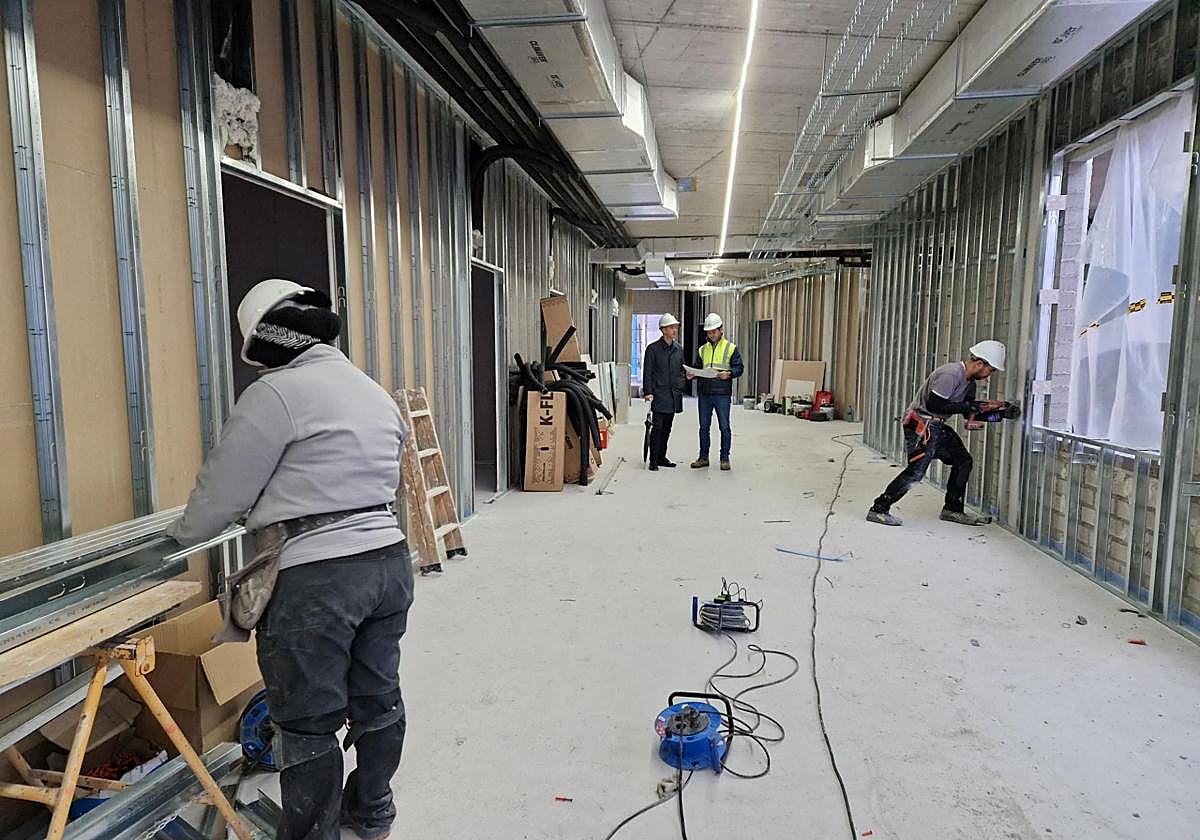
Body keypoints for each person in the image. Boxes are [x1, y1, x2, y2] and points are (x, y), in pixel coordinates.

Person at [167, 279, 410, 840]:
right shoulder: (371, 391)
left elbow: (221, 492)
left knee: (307, 721)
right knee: (377, 698)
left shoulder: (275, 394)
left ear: (267, 340)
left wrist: (181, 542)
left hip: (319, 579)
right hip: (389, 563)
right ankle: (372, 814)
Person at [867, 340, 1012, 527]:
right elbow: (935, 404)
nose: (989, 375)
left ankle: (952, 509)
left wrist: (999, 415)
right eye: (990, 370)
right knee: (915, 472)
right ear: (979, 364)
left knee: (963, 461)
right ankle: (878, 509)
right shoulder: (950, 375)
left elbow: (968, 412)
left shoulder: (970, 384)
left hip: (937, 424)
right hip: (921, 423)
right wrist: (970, 405)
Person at [687, 312, 744, 471]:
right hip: (705, 393)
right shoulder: (702, 350)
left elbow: (739, 368)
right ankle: (703, 457)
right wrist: (693, 374)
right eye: (709, 332)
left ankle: (724, 458)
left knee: (724, 426)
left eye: (714, 332)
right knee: (703, 427)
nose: (711, 335)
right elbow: (698, 367)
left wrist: (730, 373)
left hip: (722, 394)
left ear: (720, 330)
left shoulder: (731, 348)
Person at [642, 312, 686, 471]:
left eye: (676, 327)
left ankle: (662, 456)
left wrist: (683, 381)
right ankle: (653, 459)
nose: (675, 330)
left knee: (667, 427)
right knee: (658, 427)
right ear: (663, 330)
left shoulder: (678, 350)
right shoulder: (652, 349)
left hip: (673, 394)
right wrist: (648, 391)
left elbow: (682, 370)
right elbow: (648, 372)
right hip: (659, 394)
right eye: (671, 327)